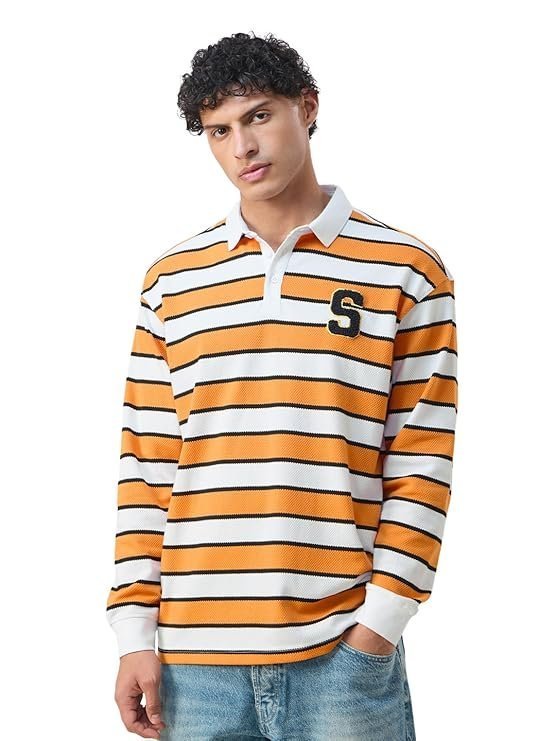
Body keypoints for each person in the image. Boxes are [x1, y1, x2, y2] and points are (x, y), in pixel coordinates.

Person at [105, 31, 458, 741]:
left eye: (259, 116)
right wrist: (133, 632)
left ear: (308, 106)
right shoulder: (171, 282)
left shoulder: (405, 271)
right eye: (219, 131)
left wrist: (380, 624)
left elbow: (421, 458)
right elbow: (148, 464)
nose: (242, 147)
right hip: (192, 663)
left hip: (342, 654)